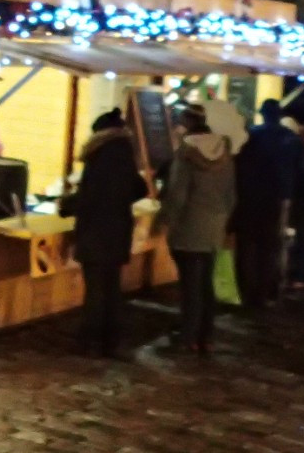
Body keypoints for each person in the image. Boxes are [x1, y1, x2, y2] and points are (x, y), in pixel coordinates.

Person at [57, 110, 146, 357]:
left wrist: (66, 206)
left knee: (95, 289)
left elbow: (90, 196)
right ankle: (111, 340)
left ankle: (89, 340)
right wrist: (120, 200)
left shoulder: (99, 156)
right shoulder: (126, 154)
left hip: (96, 230)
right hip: (118, 230)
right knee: (112, 286)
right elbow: (139, 188)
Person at [160, 106, 236, 355]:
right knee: (205, 283)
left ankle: (188, 336)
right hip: (215, 226)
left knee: (190, 284)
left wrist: (167, 219)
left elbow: (178, 193)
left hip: (190, 225)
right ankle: (207, 336)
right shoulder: (225, 151)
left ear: (187, 124)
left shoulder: (186, 152)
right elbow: (231, 194)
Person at [232, 99, 304, 310]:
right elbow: (301, 170)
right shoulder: (291, 138)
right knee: (269, 247)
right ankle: (264, 293)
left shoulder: (252, 136)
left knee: (247, 246)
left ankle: (246, 292)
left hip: (250, 198)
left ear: (263, 114)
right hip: (278, 199)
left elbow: (240, 166)